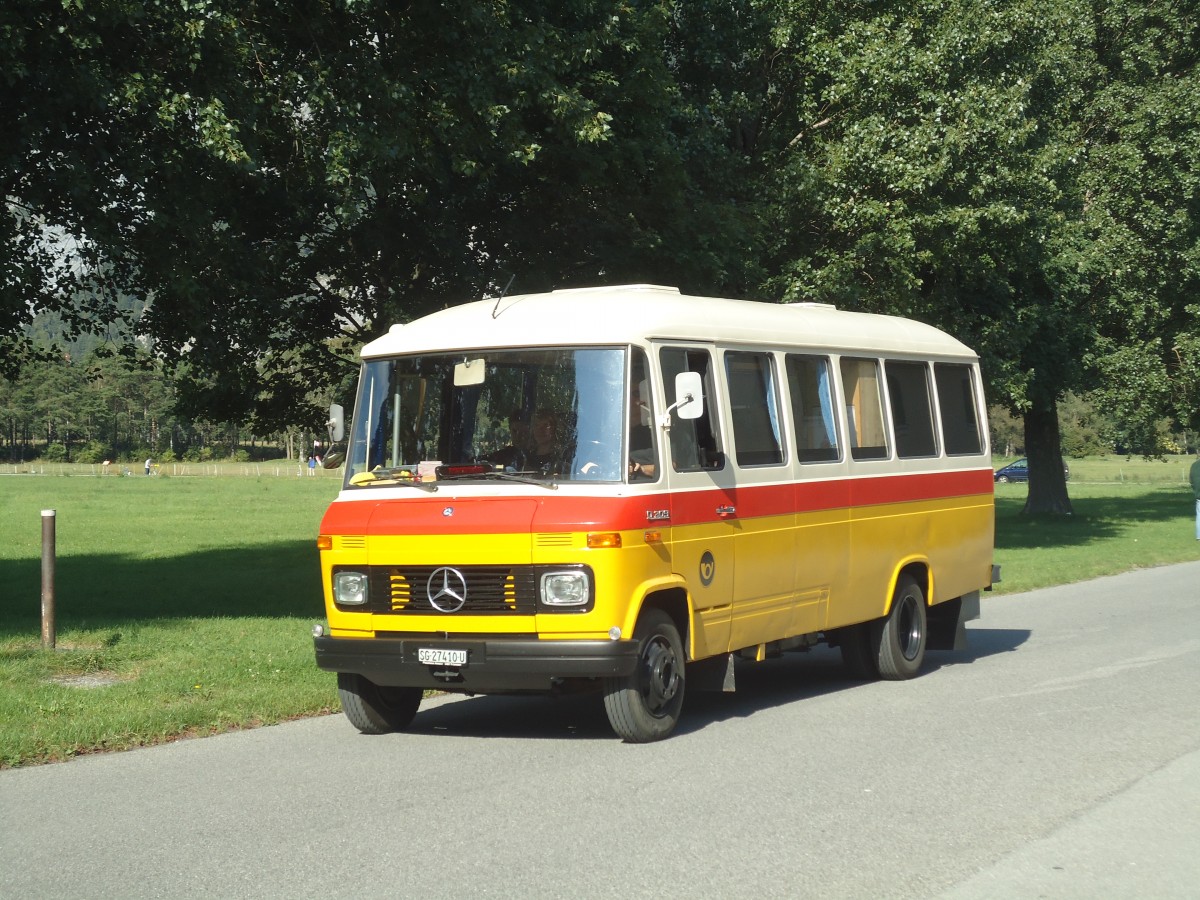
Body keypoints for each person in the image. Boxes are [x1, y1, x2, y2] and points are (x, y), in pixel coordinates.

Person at [1190, 453, 1200, 540]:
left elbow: (1191, 481)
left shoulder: (1194, 465)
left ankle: (1198, 535)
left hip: (1198, 495)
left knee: (1199, 516)